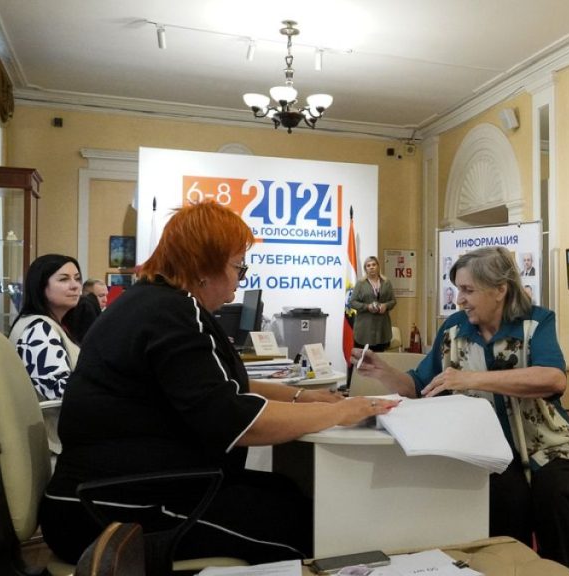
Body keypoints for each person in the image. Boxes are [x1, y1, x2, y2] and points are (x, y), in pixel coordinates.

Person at [39, 202, 399, 565]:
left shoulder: (157, 303)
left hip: (120, 490)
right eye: (238, 266)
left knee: (288, 493)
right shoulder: (171, 313)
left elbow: (226, 386)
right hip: (113, 508)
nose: (241, 278)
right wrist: (339, 412)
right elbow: (235, 419)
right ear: (204, 267)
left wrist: (304, 397)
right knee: (306, 531)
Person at [353, 247, 569, 574]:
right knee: (506, 502)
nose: (459, 300)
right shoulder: (452, 330)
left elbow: (554, 379)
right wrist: (384, 373)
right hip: (485, 450)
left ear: (500, 289)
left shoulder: (537, 322)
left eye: (467, 290)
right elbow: (420, 385)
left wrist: (472, 378)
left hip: (548, 446)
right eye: (457, 290)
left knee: (557, 497)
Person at [8, 254, 84, 400]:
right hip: (53, 420)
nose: (75, 286)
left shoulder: (46, 323)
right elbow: (59, 391)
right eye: (64, 279)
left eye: (77, 278)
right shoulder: (38, 330)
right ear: (41, 286)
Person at [350, 255, 397, 352]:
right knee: (364, 360)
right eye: (368, 265)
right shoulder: (360, 283)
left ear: (378, 267)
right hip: (365, 329)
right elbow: (352, 302)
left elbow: (393, 301)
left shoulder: (386, 282)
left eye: (374, 265)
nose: (371, 267)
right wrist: (367, 307)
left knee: (379, 359)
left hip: (382, 328)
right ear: (365, 269)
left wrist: (386, 306)